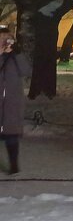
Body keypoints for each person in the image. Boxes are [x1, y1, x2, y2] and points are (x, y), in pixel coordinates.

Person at [0, 27, 30, 175]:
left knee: (11, 136)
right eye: (2, 37)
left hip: (12, 103)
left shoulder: (15, 56)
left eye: (7, 37)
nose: (4, 40)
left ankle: (14, 166)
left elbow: (26, 71)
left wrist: (16, 53)